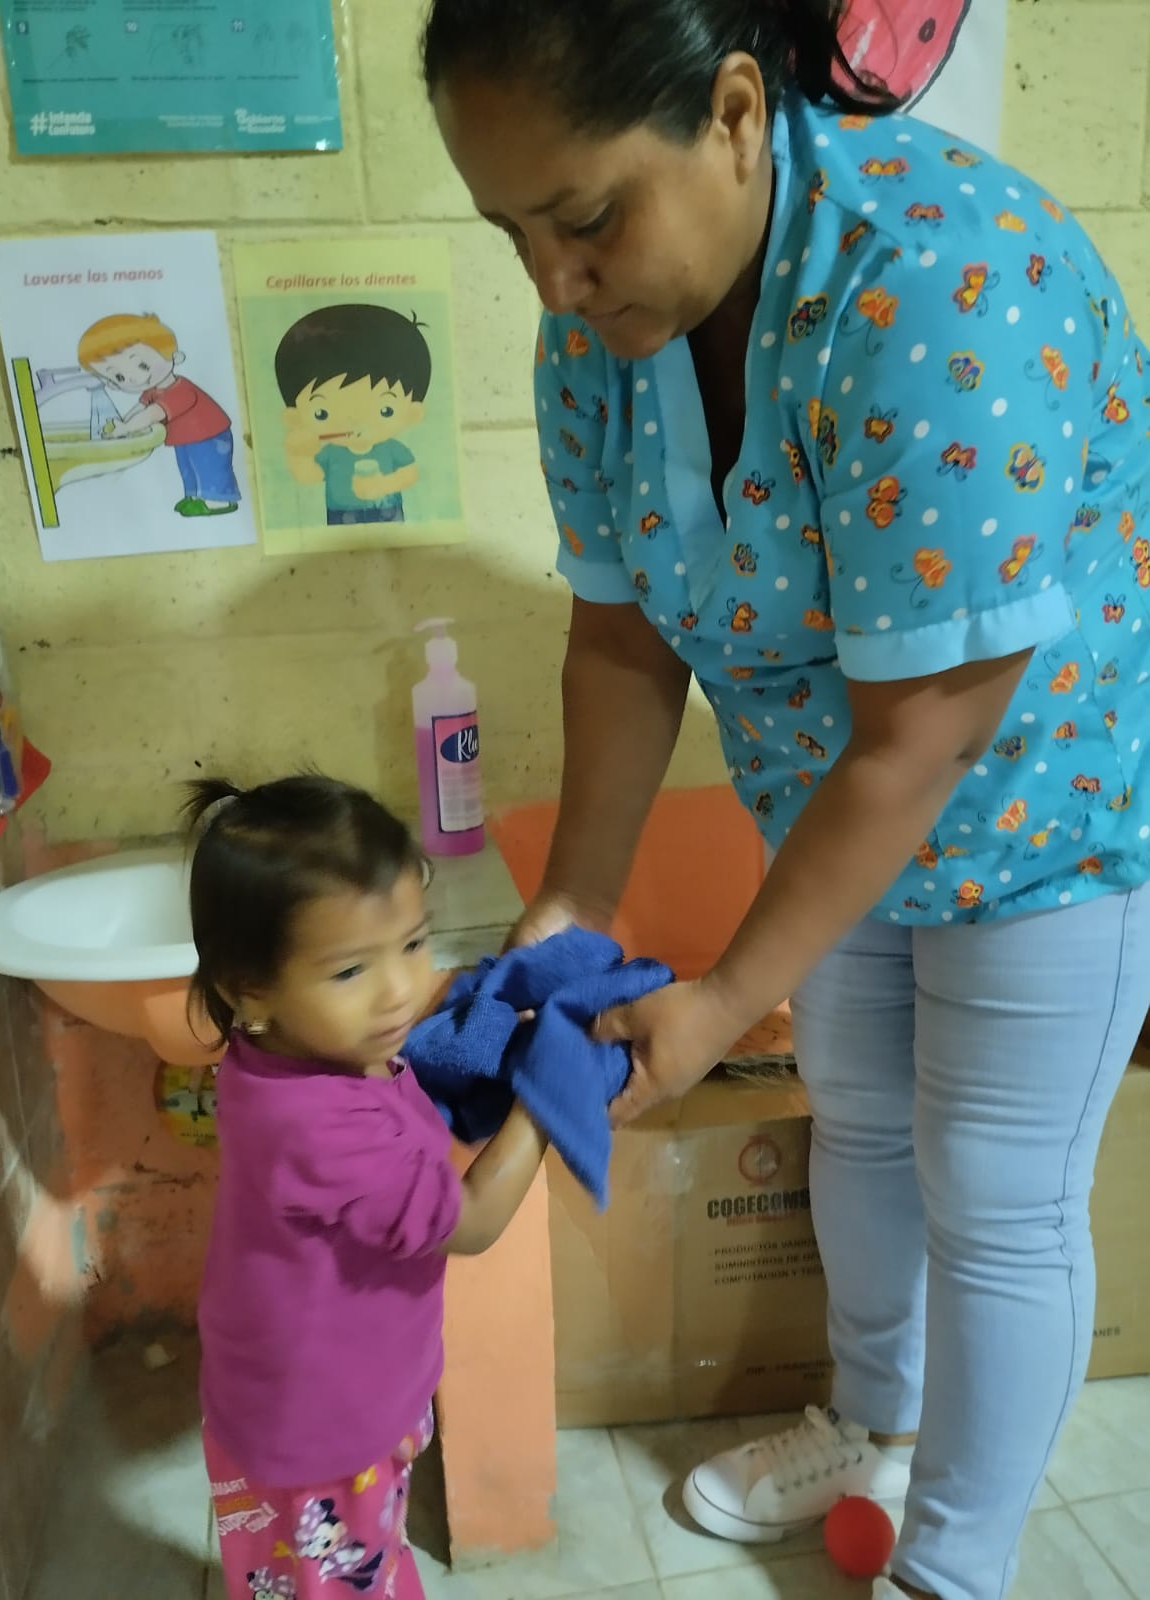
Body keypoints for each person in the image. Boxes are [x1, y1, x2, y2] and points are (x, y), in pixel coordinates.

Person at [421, 4, 1150, 1599]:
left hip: (1046, 812)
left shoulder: (949, 286)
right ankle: (871, 1428)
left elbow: (923, 736)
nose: (552, 281)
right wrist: (572, 912)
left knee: (1000, 1198)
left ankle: (952, 1566)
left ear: (737, 113)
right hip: (825, 812)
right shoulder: (601, 328)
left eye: (585, 217)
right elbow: (622, 635)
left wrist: (717, 1000)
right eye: (511, 233)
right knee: (864, 1124)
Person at [188, 775, 548, 1600]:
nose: (398, 991)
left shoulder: (300, 1050)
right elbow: (472, 1220)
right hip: (320, 1431)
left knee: (361, 1561)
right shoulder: (315, 1124)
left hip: (328, 1390)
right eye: (351, 969)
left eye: (413, 944)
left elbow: (402, 1090)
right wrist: (546, 1101)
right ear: (251, 989)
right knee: (337, 1579)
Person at [274, 304, 431, 526]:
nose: (355, 422)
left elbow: (409, 474)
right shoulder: (330, 453)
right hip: (340, 514)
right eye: (321, 413)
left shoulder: (392, 449)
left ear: (413, 413)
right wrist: (298, 456)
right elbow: (310, 476)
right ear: (295, 417)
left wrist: (384, 485)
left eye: (385, 410)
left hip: (387, 509)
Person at [79, 313, 242, 517]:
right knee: (187, 466)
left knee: (208, 467)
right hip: (186, 438)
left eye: (143, 366)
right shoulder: (153, 391)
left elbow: (152, 414)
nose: (133, 378)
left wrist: (127, 428)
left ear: (175, 357)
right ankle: (194, 497)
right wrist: (123, 421)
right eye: (119, 376)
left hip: (210, 436)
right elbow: (141, 407)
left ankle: (218, 500)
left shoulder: (180, 390)